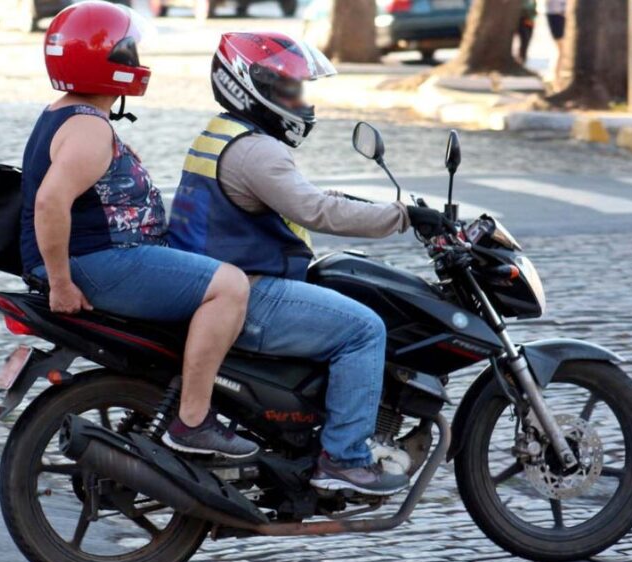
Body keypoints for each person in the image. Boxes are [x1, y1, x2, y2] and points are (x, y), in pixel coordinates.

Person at [168, 32, 449, 496]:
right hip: (245, 292)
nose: (301, 100)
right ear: (250, 85)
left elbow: (303, 199)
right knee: (364, 329)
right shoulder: (258, 150)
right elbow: (316, 211)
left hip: (213, 280)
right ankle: (343, 458)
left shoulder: (224, 134)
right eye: (289, 88)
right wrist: (402, 217)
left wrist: (374, 204)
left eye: (300, 87)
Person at [21, 2, 256, 458]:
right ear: (108, 62)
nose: (136, 60)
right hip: (99, 262)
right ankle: (192, 422)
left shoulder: (67, 111)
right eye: (128, 52)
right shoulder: (87, 129)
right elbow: (50, 202)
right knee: (230, 286)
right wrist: (61, 283)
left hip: (100, 257)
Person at [543, 0, 567, 81]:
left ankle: (557, 75)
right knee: (561, 50)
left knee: (562, 50)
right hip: (556, 16)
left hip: (559, 16)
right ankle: (556, 77)